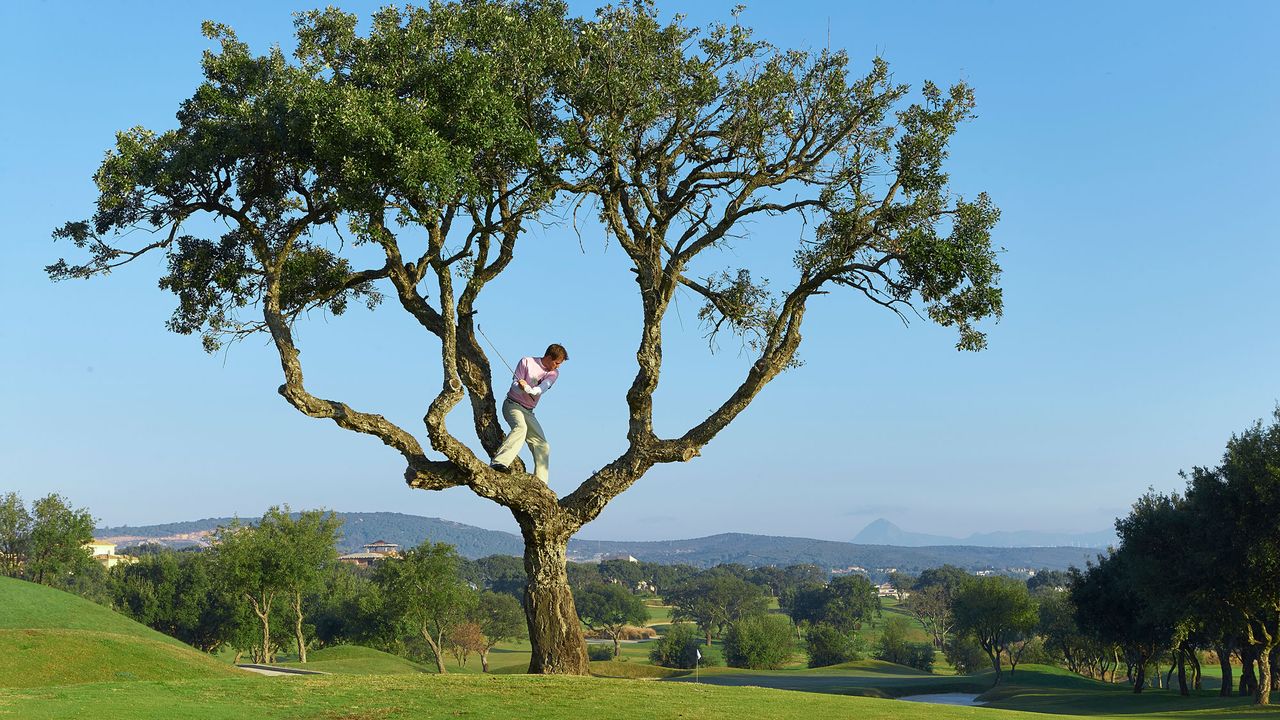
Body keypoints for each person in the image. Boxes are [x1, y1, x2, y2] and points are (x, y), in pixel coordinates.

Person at [490, 343, 568, 483]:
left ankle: (541, 483)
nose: (558, 366)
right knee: (521, 428)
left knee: (543, 445)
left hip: (528, 411)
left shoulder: (554, 373)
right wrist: (521, 387)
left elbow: (543, 387)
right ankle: (499, 463)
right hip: (512, 405)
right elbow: (514, 385)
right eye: (557, 363)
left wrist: (531, 390)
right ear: (549, 357)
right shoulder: (526, 361)